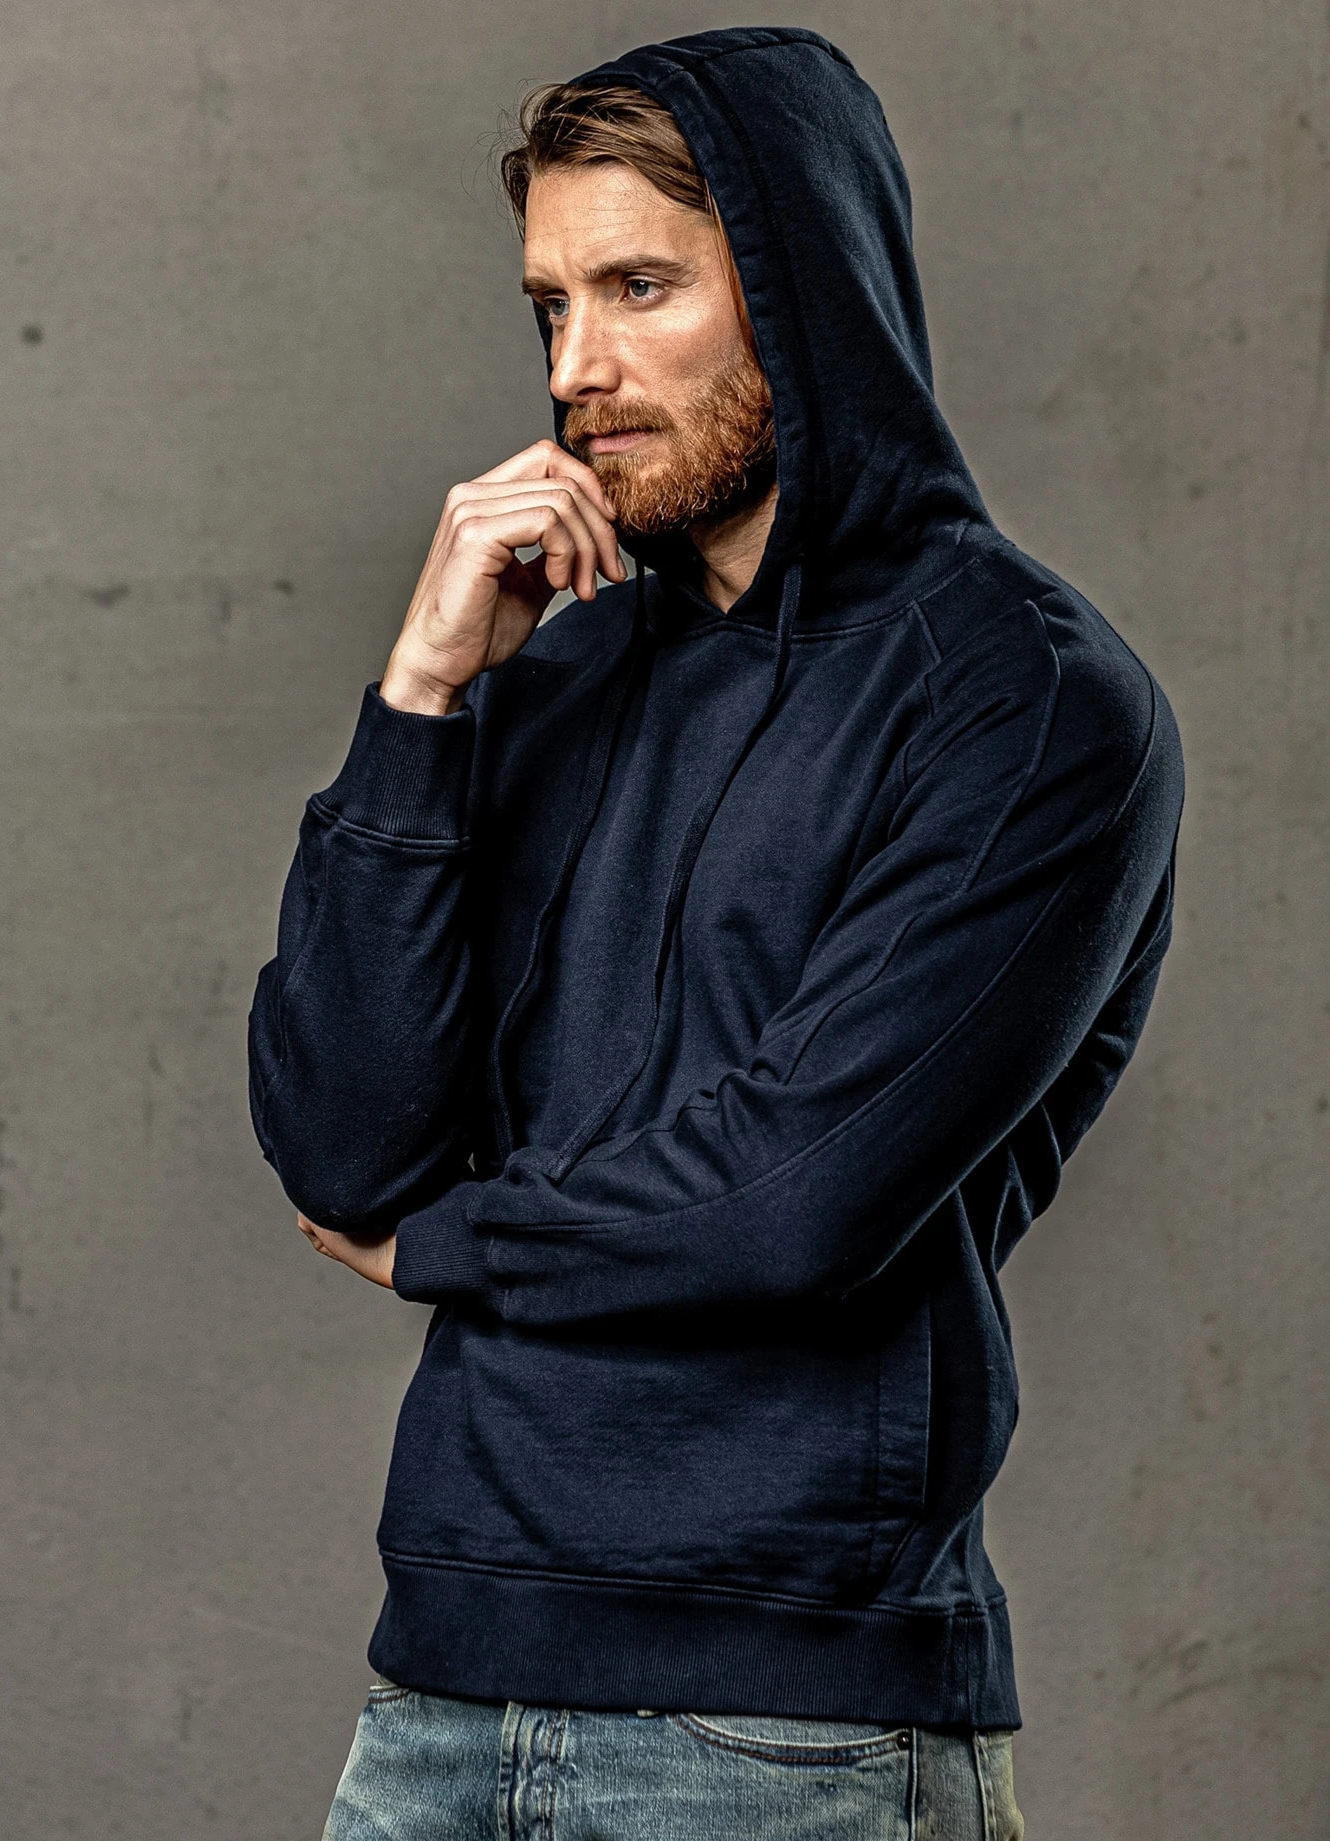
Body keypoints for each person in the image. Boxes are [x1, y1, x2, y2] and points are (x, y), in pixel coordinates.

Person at [247, 26, 1183, 1840]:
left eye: (640, 289)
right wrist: (423, 699)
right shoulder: (554, 668)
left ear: (807, 283)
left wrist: (449, 1239)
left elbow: (791, 1196)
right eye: (550, 305)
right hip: (439, 1694)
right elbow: (342, 1145)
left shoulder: (1028, 704)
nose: (575, 371)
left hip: (786, 1728)